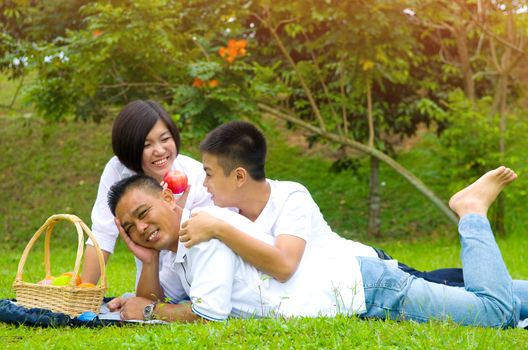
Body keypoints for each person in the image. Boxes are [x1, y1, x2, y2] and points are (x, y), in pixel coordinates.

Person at [107, 168, 525, 327]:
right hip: (362, 286)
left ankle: (470, 211)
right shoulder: (180, 250)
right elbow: (158, 295)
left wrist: (147, 310)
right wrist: (147, 263)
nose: (140, 228)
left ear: (168, 197)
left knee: (490, 312)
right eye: (130, 226)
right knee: (487, 299)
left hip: (369, 290)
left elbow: (206, 315)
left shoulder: (203, 234)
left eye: (143, 213)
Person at [179, 121, 463, 286]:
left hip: (368, 272)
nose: (205, 184)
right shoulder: (225, 210)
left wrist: (219, 229)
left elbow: (284, 265)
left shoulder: (292, 197)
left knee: (433, 285)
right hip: (333, 290)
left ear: (239, 176)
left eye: (209, 174)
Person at [81, 100, 212, 284]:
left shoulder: (196, 176)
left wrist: (176, 215)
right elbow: (103, 234)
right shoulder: (118, 171)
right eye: (146, 145)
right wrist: (83, 293)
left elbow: (209, 245)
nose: (159, 151)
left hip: (197, 283)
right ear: (130, 148)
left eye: (165, 139)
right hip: (150, 283)